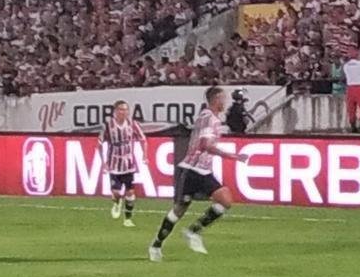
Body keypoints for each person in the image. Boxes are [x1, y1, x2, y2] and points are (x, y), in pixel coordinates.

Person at [148, 86, 248, 261]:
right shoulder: (209, 119)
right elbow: (205, 145)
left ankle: (193, 231)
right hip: (191, 170)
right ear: (216, 100)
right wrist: (231, 156)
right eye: (223, 99)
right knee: (179, 210)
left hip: (203, 170)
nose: (225, 102)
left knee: (225, 200)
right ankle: (156, 245)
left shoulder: (208, 117)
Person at [99, 100, 146, 227]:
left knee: (130, 193)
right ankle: (117, 202)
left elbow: (143, 139)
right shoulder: (108, 125)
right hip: (114, 164)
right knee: (116, 192)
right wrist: (103, 162)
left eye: (125, 110)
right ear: (115, 111)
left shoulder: (132, 124)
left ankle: (128, 219)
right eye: (121, 109)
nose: (123, 112)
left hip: (129, 165)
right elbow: (99, 143)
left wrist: (145, 155)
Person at [342, 50, 360, 132]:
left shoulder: (346, 65)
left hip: (350, 87)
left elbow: (344, 76)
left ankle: (353, 124)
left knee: (351, 107)